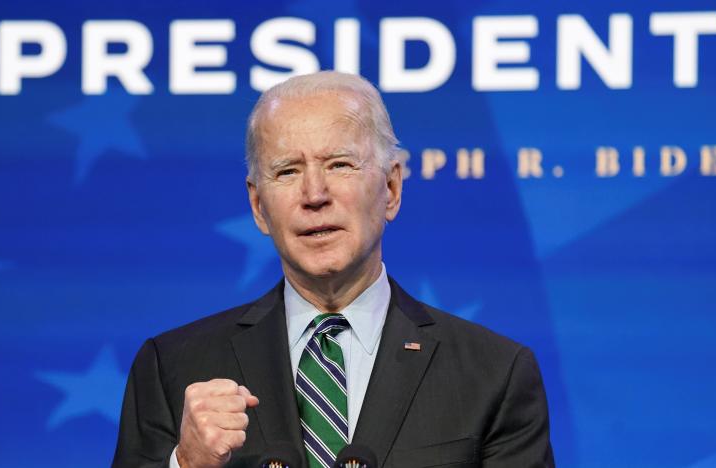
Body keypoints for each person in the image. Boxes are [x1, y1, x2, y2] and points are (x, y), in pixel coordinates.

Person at [112, 71, 554, 468]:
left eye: (339, 164)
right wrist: (187, 464)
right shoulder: (172, 367)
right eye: (287, 171)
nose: (314, 194)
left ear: (392, 188)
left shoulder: (494, 373)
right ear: (258, 207)